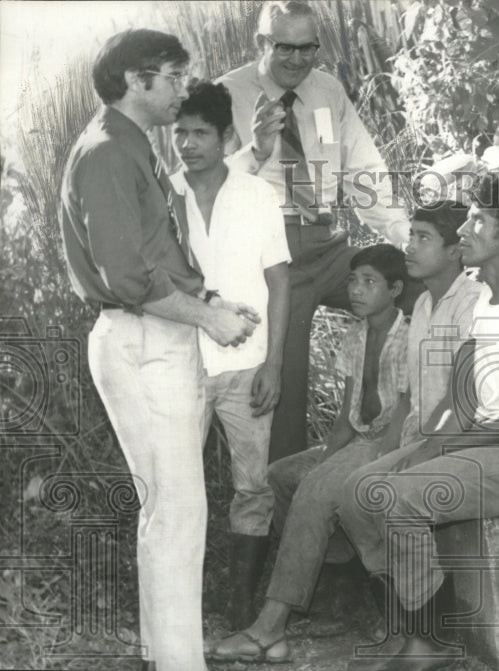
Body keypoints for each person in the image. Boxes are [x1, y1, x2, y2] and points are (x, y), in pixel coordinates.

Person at [59, 29, 258, 671]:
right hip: (143, 339)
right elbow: (126, 278)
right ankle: (179, 663)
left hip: (151, 333)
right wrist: (209, 318)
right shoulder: (110, 151)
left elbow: (151, 260)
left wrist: (210, 307)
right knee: (178, 514)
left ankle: (163, 654)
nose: (182, 88)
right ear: (137, 80)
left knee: (167, 512)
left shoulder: (125, 144)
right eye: (173, 76)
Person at [337, 172, 499, 671]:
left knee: (398, 497)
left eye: (479, 220)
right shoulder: (487, 300)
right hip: (481, 440)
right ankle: (417, 617)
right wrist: (429, 443)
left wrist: (442, 450)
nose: (466, 229)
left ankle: (432, 642)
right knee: (356, 491)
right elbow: (464, 394)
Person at [206, 241, 426, 663]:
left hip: (393, 443)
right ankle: (339, 574)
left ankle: (270, 626)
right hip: (360, 437)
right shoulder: (355, 335)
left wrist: (347, 470)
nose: (357, 290)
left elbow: (402, 415)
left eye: (369, 282)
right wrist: (325, 461)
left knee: (317, 490)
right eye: (353, 281)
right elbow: (346, 417)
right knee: (282, 476)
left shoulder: (411, 335)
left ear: (396, 289)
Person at [218, 0, 411, 463]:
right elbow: (207, 187)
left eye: (309, 48)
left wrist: (404, 236)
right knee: (282, 389)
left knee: (416, 289)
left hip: (326, 247)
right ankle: (280, 506)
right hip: (266, 258)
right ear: (261, 42)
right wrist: (255, 148)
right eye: (285, 47)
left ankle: (392, 433)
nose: (298, 59)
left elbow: (365, 173)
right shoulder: (226, 93)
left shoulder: (327, 90)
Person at [169, 81, 291, 631]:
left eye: (200, 133)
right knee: (176, 483)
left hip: (248, 365)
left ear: (227, 137)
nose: (188, 144)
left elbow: (280, 283)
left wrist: (275, 366)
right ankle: (178, 609)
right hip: (179, 363)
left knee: (252, 487)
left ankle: (241, 609)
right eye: (180, 133)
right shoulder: (163, 195)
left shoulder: (256, 195)